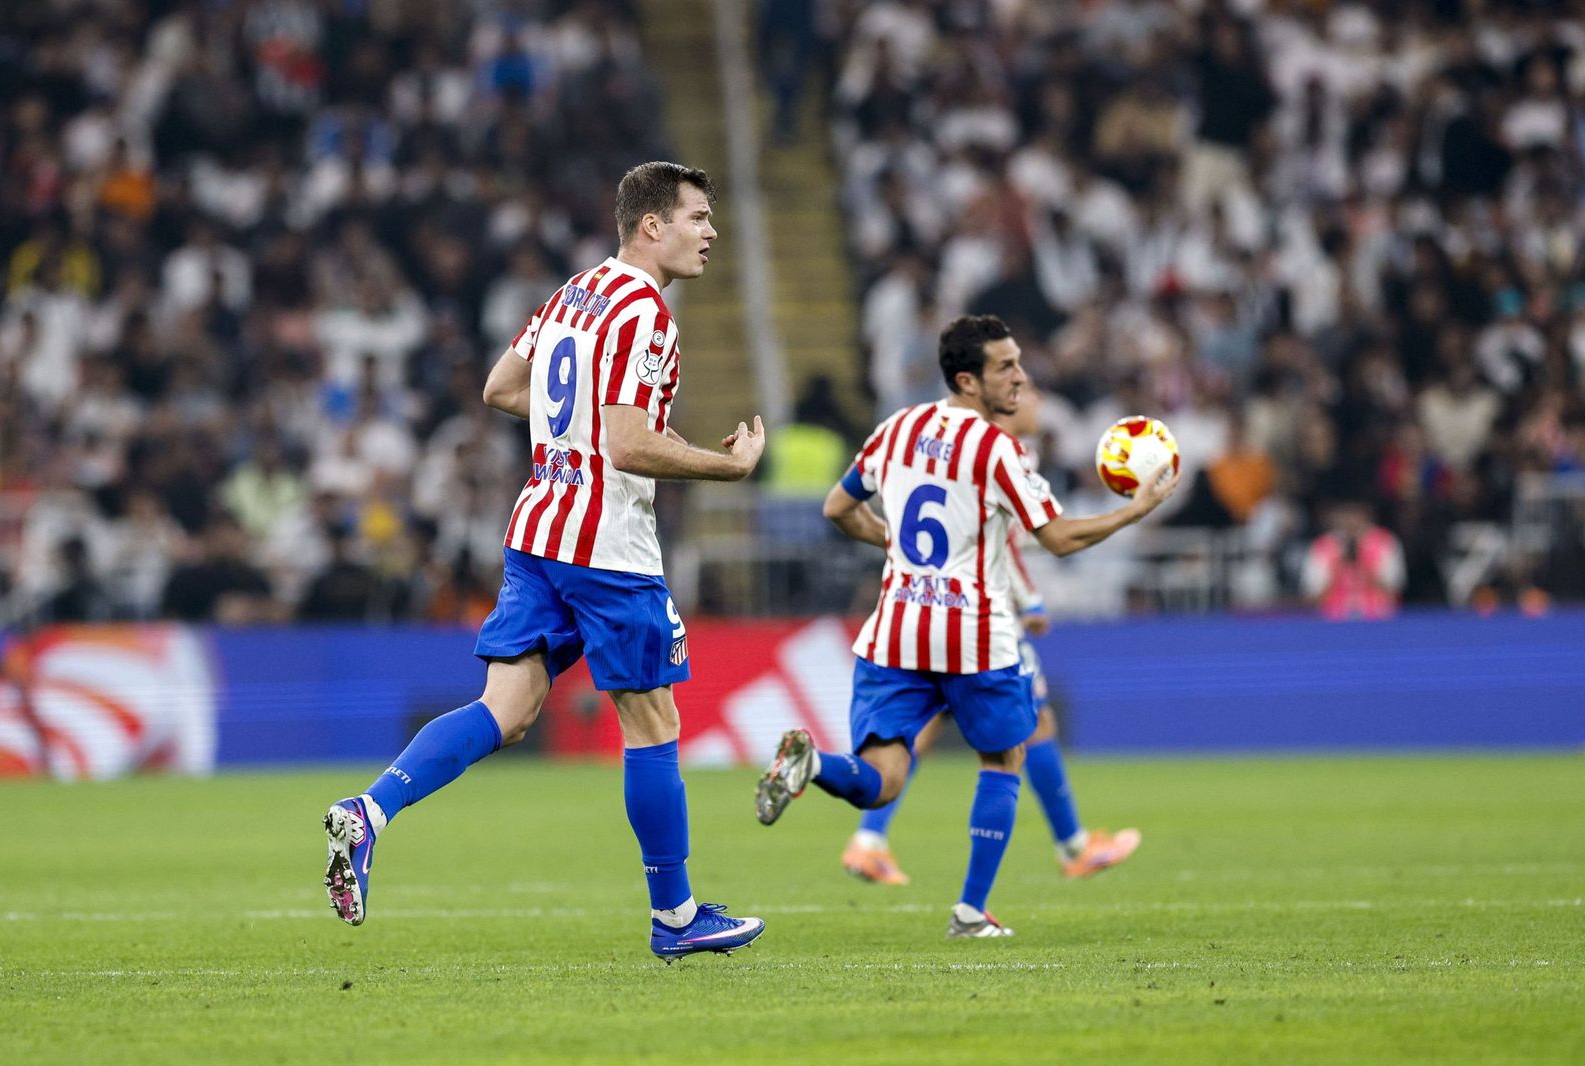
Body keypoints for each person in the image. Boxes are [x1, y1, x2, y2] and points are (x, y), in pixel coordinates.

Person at [323, 162, 769, 961]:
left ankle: (370, 812)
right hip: (606, 547)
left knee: (508, 708)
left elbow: (500, 388)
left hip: (538, 533)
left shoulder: (575, 292)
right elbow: (627, 444)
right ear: (652, 226)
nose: (711, 233)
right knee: (653, 720)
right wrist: (726, 466)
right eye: (698, 217)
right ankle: (676, 918)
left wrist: (587, 419)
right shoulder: (646, 312)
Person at [755, 314, 1178, 938]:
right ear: (967, 381)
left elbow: (837, 507)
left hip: (896, 629)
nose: (1021, 377)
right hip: (971, 631)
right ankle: (971, 911)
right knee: (1005, 757)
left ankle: (814, 765)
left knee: (882, 780)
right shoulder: (996, 448)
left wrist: (895, 544)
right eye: (1006, 367)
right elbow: (1058, 537)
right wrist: (1133, 511)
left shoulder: (897, 428)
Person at [839, 389, 1142, 887]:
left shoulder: (968, 446)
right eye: (1021, 388)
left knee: (946, 725)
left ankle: (870, 840)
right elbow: (1010, 542)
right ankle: (1068, 849)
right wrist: (1028, 599)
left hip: (934, 607)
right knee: (1028, 724)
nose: (1033, 398)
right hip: (980, 616)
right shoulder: (998, 452)